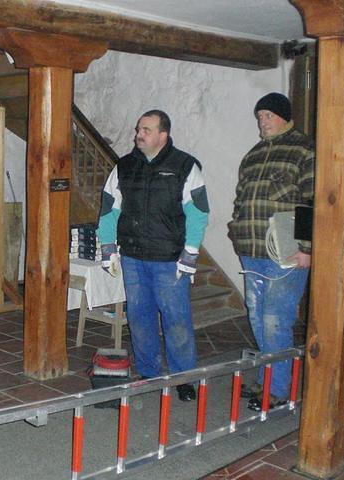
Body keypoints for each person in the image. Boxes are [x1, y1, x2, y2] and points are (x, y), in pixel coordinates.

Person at [97, 110, 210, 402]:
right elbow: (109, 208)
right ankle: (149, 374)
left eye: (146, 130)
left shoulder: (185, 166)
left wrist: (191, 252)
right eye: (138, 129)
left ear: (163, 135)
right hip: (133, 258)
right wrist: (108, 248)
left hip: (170, 260)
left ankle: (184, 378)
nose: (139, 134)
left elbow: (198, 214)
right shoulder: (124, 166)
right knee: (140, 318)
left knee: (177, 320)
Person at [229, 92, 314, 411]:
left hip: (287, 252)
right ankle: (268, 378)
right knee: (257, 317)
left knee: (275, 320)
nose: (262, 121)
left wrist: (307, 247)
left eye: (267, 115)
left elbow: (312, 197)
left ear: (284, 116)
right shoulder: (253, 155)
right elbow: (241, 198)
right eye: (259, 116)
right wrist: (236, 227)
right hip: (251, 250)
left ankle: (279, 391)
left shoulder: (303, 148)